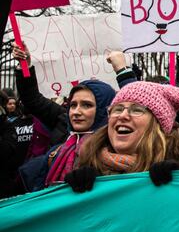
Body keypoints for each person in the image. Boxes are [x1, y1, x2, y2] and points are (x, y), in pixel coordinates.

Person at [63, 81, 179, 192]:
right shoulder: (88, 162)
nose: (123, 115)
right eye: (117, 109)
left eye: (136, 110)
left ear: (158, 125)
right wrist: (75, 198)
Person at [12, 43, 116, 189]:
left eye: (87, 105)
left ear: (104, 110)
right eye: (73, 105)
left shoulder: (119, 143)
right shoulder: (63, 121)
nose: (76, 112)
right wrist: (25, 65)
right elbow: (32, 99)